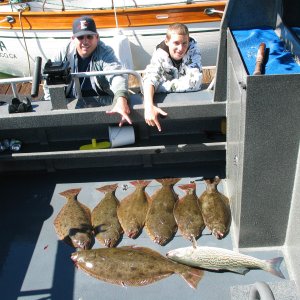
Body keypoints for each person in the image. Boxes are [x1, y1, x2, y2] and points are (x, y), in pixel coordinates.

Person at [43, 16, 131, 127]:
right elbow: (49, 82)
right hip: (70, 101)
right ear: (73, 39)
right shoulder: (62, 53)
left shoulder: (105, 52)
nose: (85, 41)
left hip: (101, 100)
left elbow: (116, 75)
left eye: (89, 37)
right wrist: (51, 108)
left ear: (97, 37)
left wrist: (121, 98)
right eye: (80, 37)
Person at [143, 23, 202, 131]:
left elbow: (195, 82)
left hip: (187, 102)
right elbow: (149, 78)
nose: (181, 48)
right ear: (167, 42)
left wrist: (159, 87)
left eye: (185, 43)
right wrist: (148, 106)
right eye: (176, 43)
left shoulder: (193, 49)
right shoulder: (160, 54)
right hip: (167, 102)